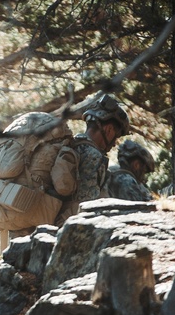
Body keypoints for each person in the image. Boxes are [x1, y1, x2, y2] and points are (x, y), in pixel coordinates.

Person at [54, 93, 131, 224]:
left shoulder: (72, 144)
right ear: (108, 129)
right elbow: (88, 206)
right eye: (116, 136)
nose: (114, 143)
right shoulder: (94, 156)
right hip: (69, 226)